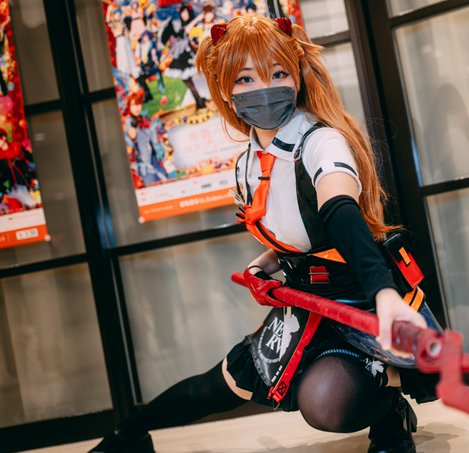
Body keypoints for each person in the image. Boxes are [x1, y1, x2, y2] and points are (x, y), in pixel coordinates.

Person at [90, 15, 440, 453]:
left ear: (296, 78)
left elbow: (341, 216)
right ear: (225, 90)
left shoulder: (321, 142)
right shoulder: (246, 164)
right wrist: (263, 265)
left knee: (325, 401)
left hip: (359, 296)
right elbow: (293, 236)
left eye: (278, 74)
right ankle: (128, 434)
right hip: (304, 301)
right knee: (218, 386)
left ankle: (390, 411)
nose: (264, 88)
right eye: (245, 78)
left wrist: (384, 294)